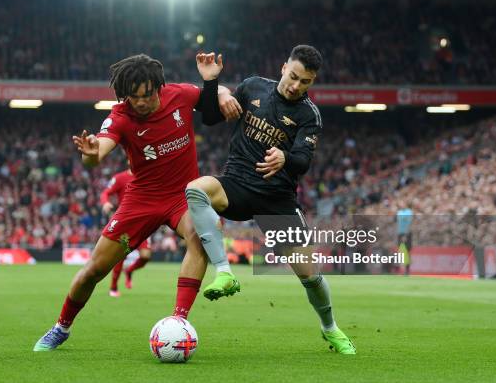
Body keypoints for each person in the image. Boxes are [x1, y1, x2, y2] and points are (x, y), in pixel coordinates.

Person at [33, 52, 237, 351]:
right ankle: (61, 327)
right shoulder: (120, 116)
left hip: (182, 197)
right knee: (94, 270)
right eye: (133, 96)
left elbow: (211, 94)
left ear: (159, 87)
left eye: (147, 95)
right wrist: (90, 155)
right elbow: (99, 151)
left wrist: (220, 91)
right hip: (142, 200)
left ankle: (178, 323)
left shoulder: (178, 95)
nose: (140, 102)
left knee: (199, 237)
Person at [185, 45, 356, 354]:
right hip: (235, 184)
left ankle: (330, 328)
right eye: (293, 77)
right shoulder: (252, 87)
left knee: (311, 277)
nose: (296, 86)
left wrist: (285, 157)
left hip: (276, 200)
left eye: (305, 82)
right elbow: (210, 118)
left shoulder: (309, 115)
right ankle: (224, 273)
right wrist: (215, 87)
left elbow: (303, 161)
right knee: (196, 189)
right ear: (283, 67)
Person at [99, 168, 151, 297]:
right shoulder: (120, 178)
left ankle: (129, 271)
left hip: (143, 224)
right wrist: (105, 203)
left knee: (145, 256)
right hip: (126, 225)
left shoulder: (148, 174)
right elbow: (105, 193)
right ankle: (113, 287)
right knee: (121, 255)